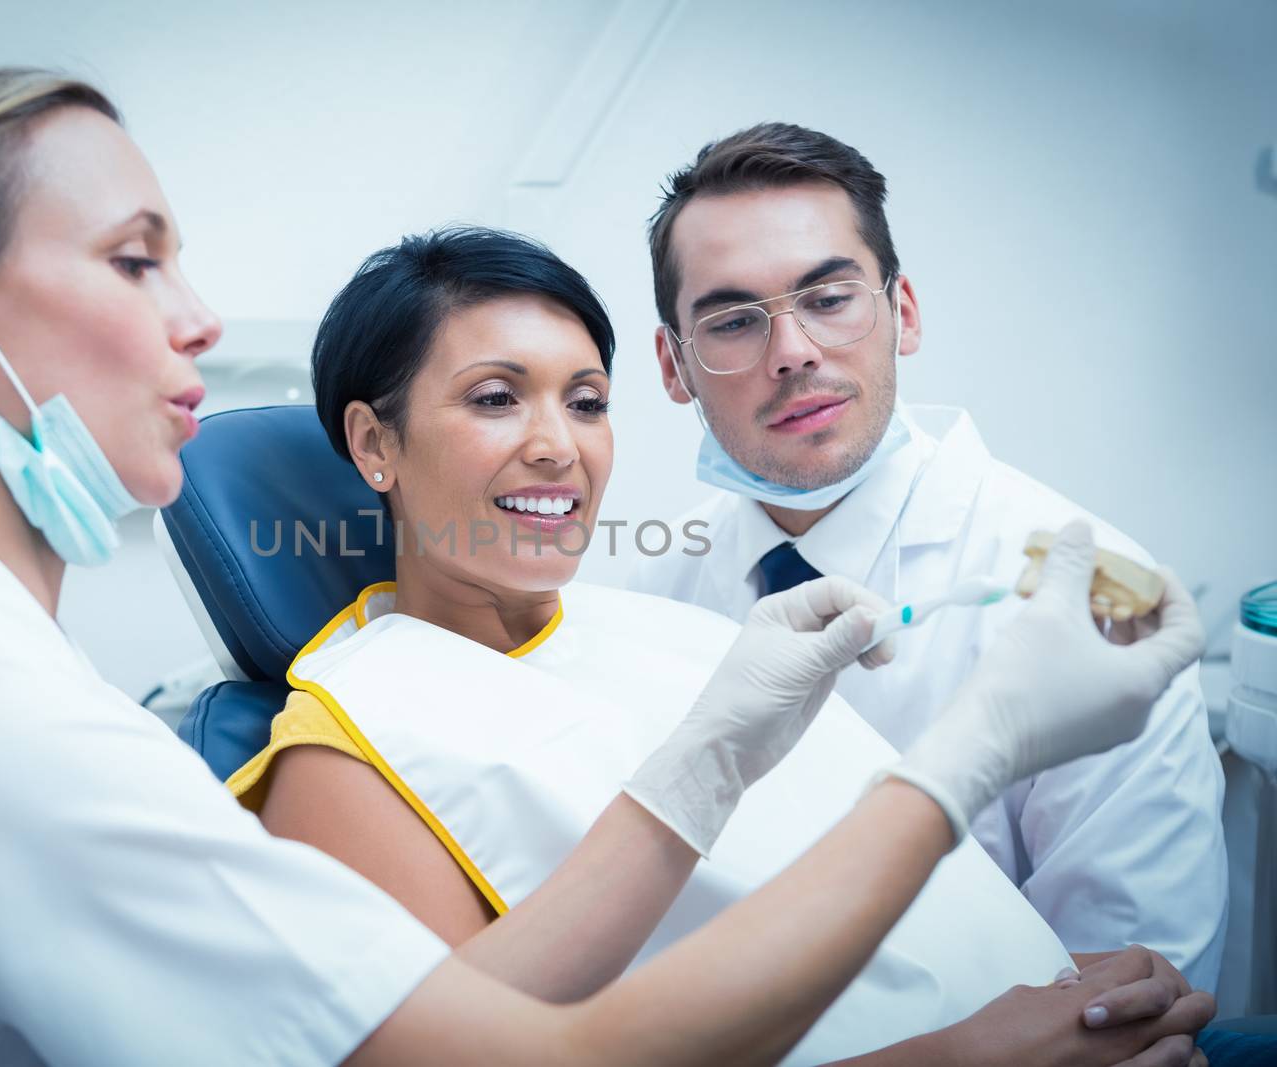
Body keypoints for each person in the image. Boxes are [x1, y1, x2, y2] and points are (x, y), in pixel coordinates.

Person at [0, 69, 1205, 1067]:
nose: (203, 317)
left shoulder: (678, 626)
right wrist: (975, 756)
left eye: (588, 398)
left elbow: (481, 1000)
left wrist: (712, 749)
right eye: (135, 257)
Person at [229, 227, 1214, 1065]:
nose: (557, 445)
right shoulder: (344, 752)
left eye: (584, 400)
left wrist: (1057, 987)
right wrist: (954, 1054)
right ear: (373, 446)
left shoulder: (671, 628)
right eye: (496, 398)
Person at [629, 122, 1229, 991]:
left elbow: (1132, 994)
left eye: (830, 299)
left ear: (902, 313)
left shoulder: (1084, 601)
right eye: (731, 321)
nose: (792, 351)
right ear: (674, 365)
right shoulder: (655, 594)